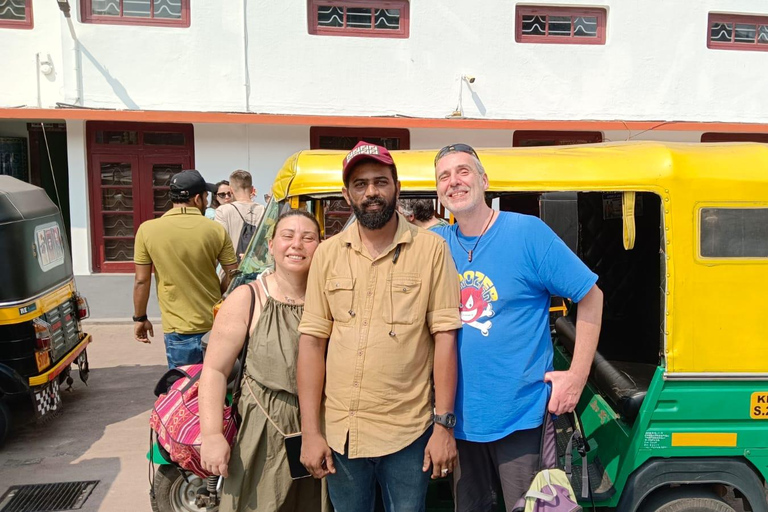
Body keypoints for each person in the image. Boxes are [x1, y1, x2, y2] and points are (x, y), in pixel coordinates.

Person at [432, 144, 604, 511]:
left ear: (484, 180)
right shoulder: (436, 245)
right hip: (459, 423)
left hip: (520, 418)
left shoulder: (527, 233)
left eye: (463, 171)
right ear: (438, 192)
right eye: (444, 176)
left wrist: (576, 376)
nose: (454, 182)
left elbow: (592, 296)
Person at [297, 141, 462, 512]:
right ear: (346, 194)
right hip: (342, 433)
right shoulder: (327, 253)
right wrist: (311, 432)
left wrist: (443, 426)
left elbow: (446, 338)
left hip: (408, 433)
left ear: (396, 188)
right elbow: (311, 344)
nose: (371, 192)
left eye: (379, 182)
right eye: (360, 184)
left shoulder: (431, 251)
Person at [199, 210, 328, 512]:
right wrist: (212, 434)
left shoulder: (329, 299)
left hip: (320, 431)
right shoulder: (248, 298)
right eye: (288, 236)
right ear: (271, 245)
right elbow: (215, 370)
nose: (297, 244)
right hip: (261, 435)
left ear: (320, 247)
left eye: (308, 238)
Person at [133, 169, 238, 369]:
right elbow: (233, 274)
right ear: (197, 199)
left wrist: (140, 318)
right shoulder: (216, 230)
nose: (207, 203)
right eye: (207, 197)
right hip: (214, 326)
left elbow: (141, 280)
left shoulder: (147, 230)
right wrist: (220, 291)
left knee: (182, 392)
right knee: (218, 390)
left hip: (178, 329)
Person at [215, 170, 266, 259]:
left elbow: (218, 245)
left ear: (231, 189)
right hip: (258, 267)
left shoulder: (223, 211)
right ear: (252, 189)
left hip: (232, 268)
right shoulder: (263, 210)